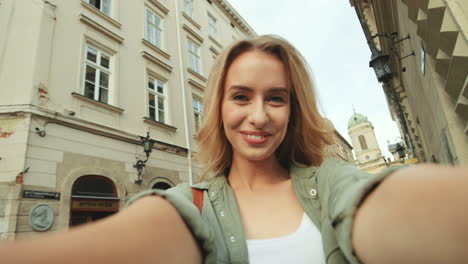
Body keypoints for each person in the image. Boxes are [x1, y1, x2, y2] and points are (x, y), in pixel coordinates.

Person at [1, 35, 468, 264]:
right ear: (218, 108)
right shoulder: (194, 203)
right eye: (241, 96)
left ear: (293, 110)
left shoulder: (331, 182)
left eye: (277, 98)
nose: (259, 116)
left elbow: (392, 204)